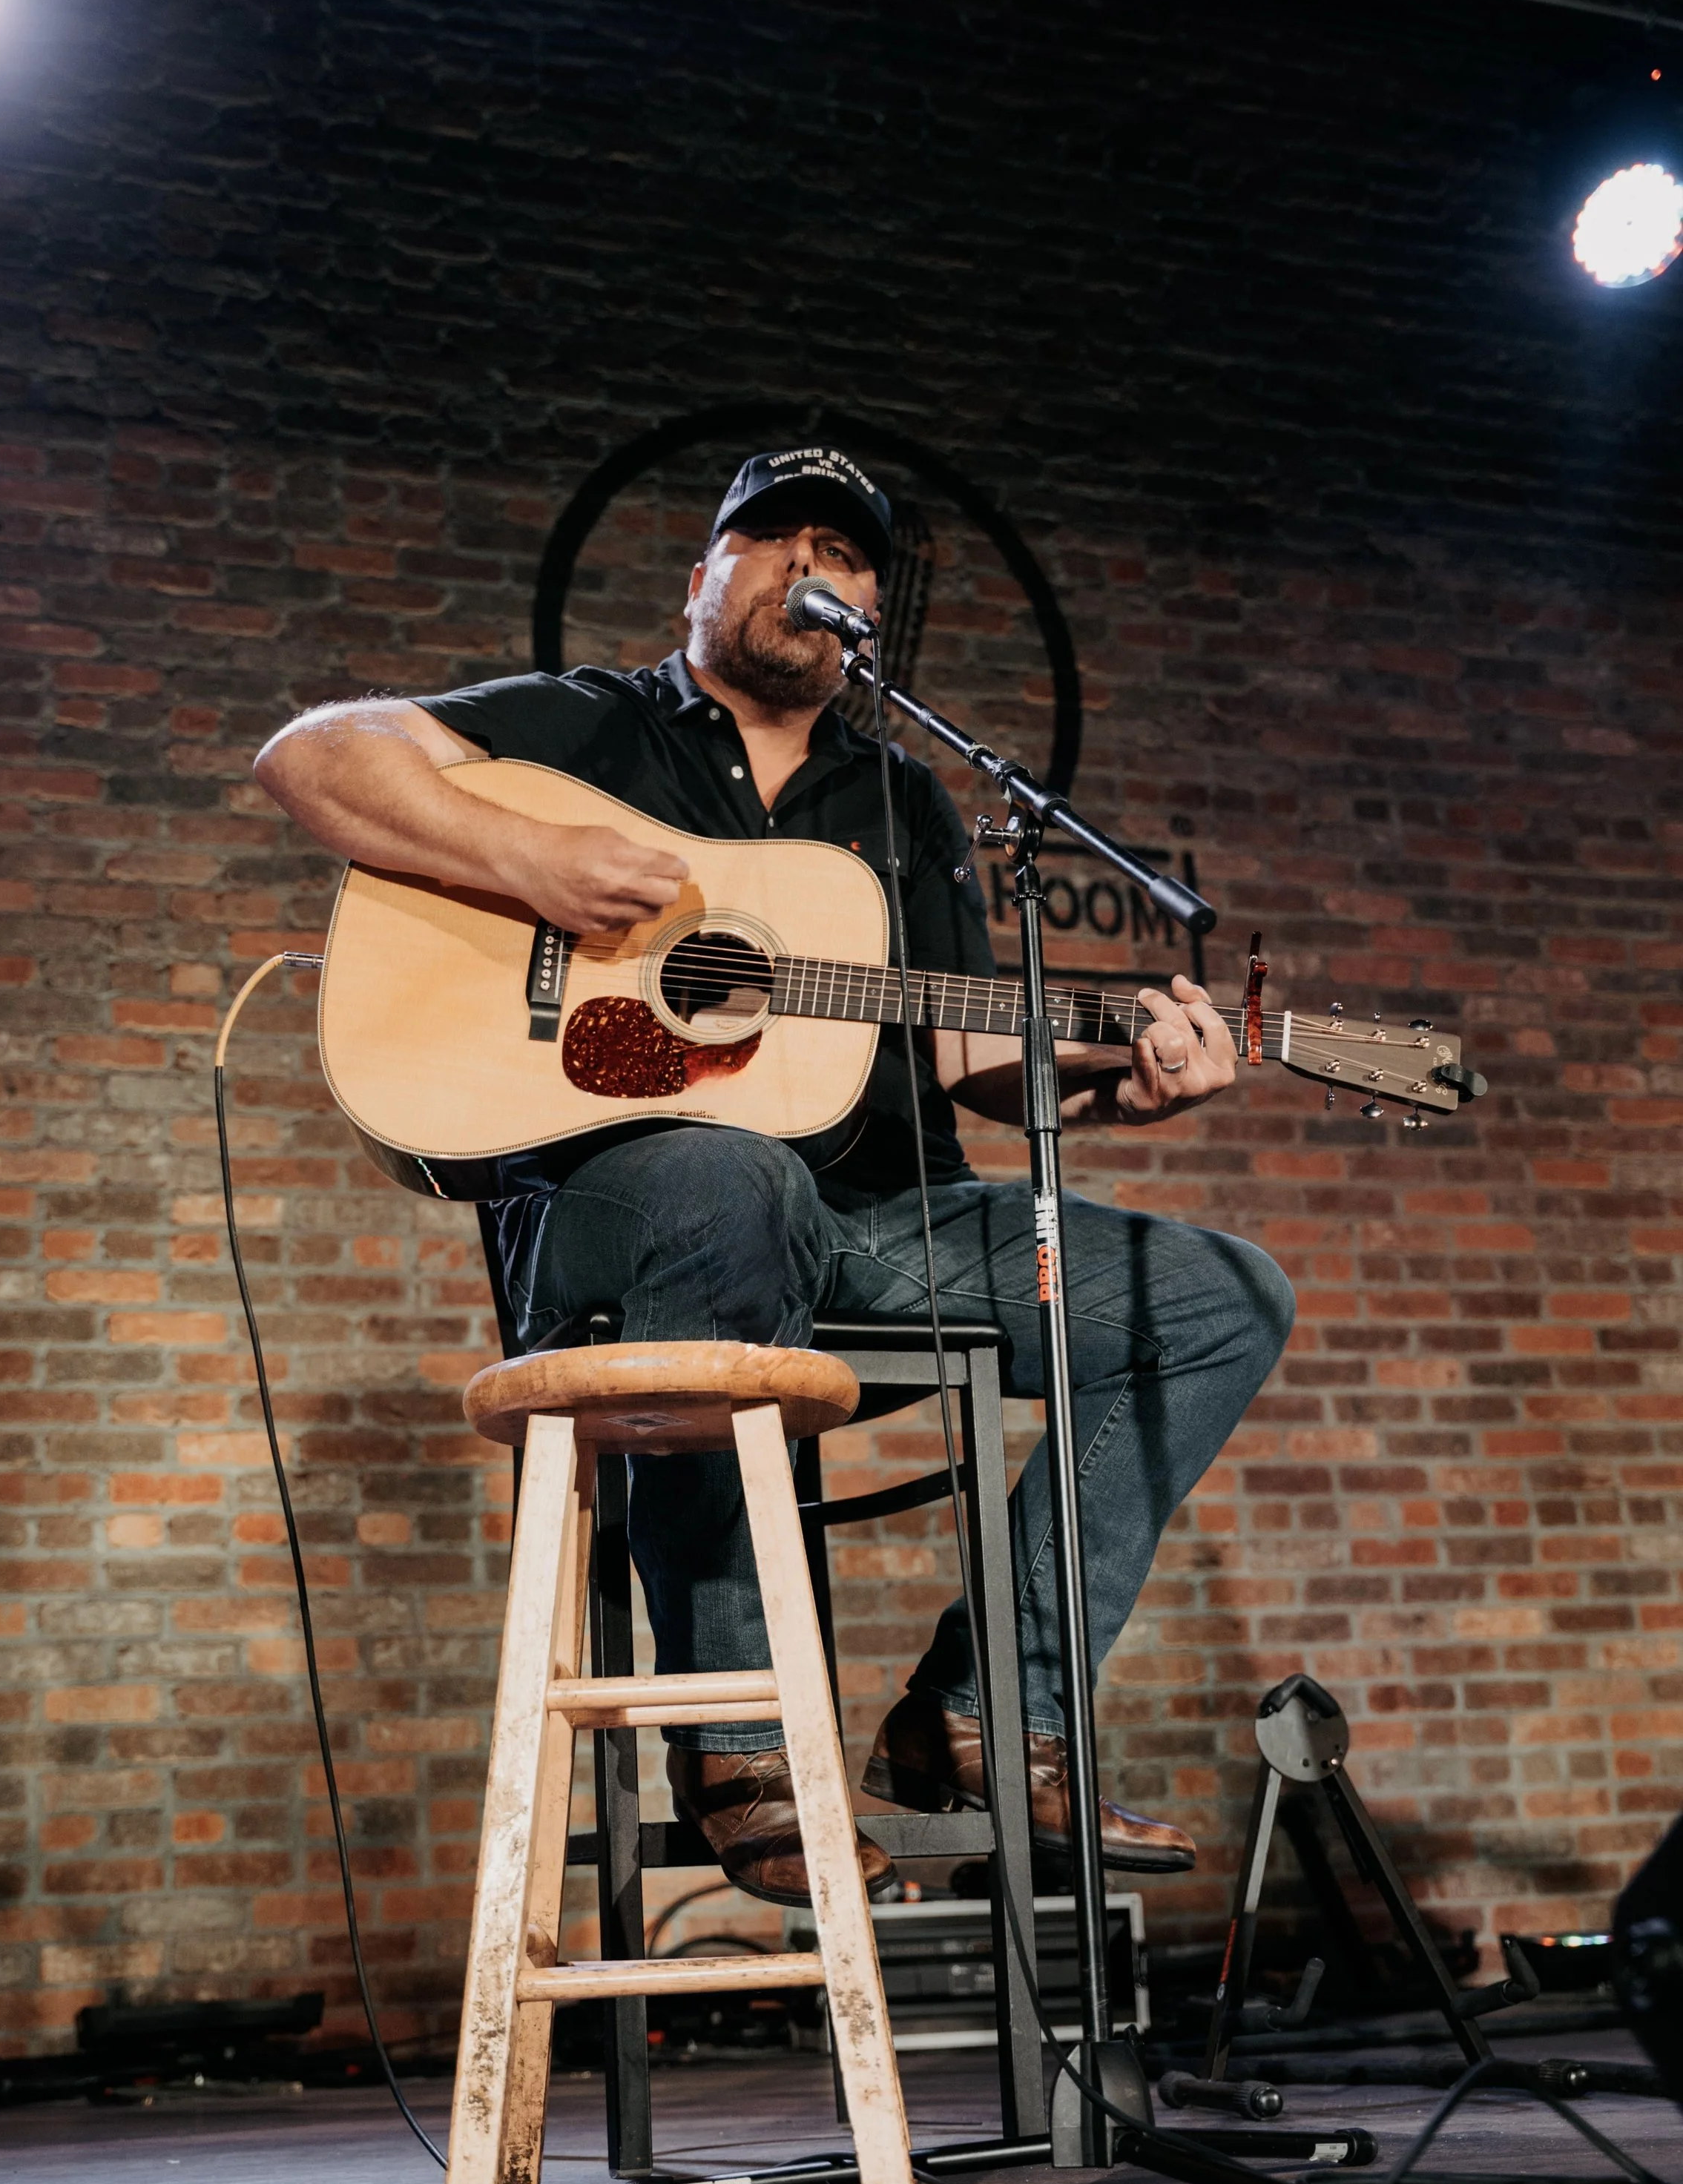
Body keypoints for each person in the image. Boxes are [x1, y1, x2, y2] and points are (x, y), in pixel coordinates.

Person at [254, 447, 1295, 1903]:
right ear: (702, 577)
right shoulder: (592, 725)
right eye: (774, 538)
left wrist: (1113, 1084)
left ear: (869, 608)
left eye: (847, 554)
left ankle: (988, 1712)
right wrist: (528, 856)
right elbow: (313, 753)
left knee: (1216, 1296)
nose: (814, 569)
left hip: (883, 1221)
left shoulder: (903, 803)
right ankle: (738, 1737)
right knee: (734, 1178)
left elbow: (958, 1059)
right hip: (638, 1219)